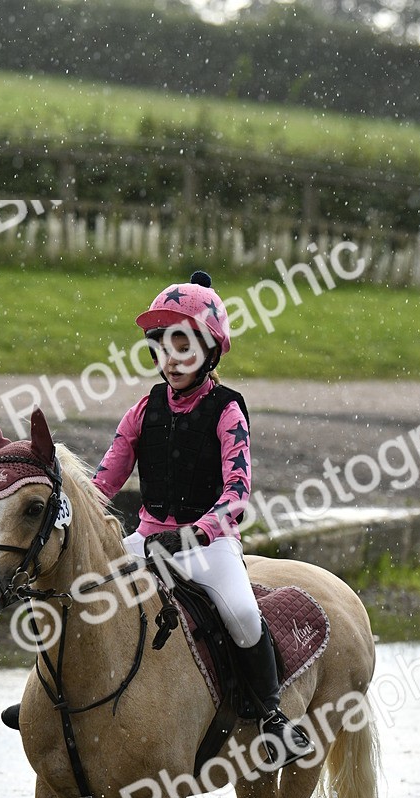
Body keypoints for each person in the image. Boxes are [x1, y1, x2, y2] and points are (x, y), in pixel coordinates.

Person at [91, 270, 312, 769]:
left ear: (209, 349)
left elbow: (237, 494)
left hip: (209, 547)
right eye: (162, 346)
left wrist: (196, 532)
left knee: (241, 613)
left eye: (183, 345)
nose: (171, 358)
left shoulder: (227, 410)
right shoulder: (140, 412)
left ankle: (272, 717)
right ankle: (57, 704)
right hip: (147, 542)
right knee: (83, 592)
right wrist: (70, 509)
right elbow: (104, 481)